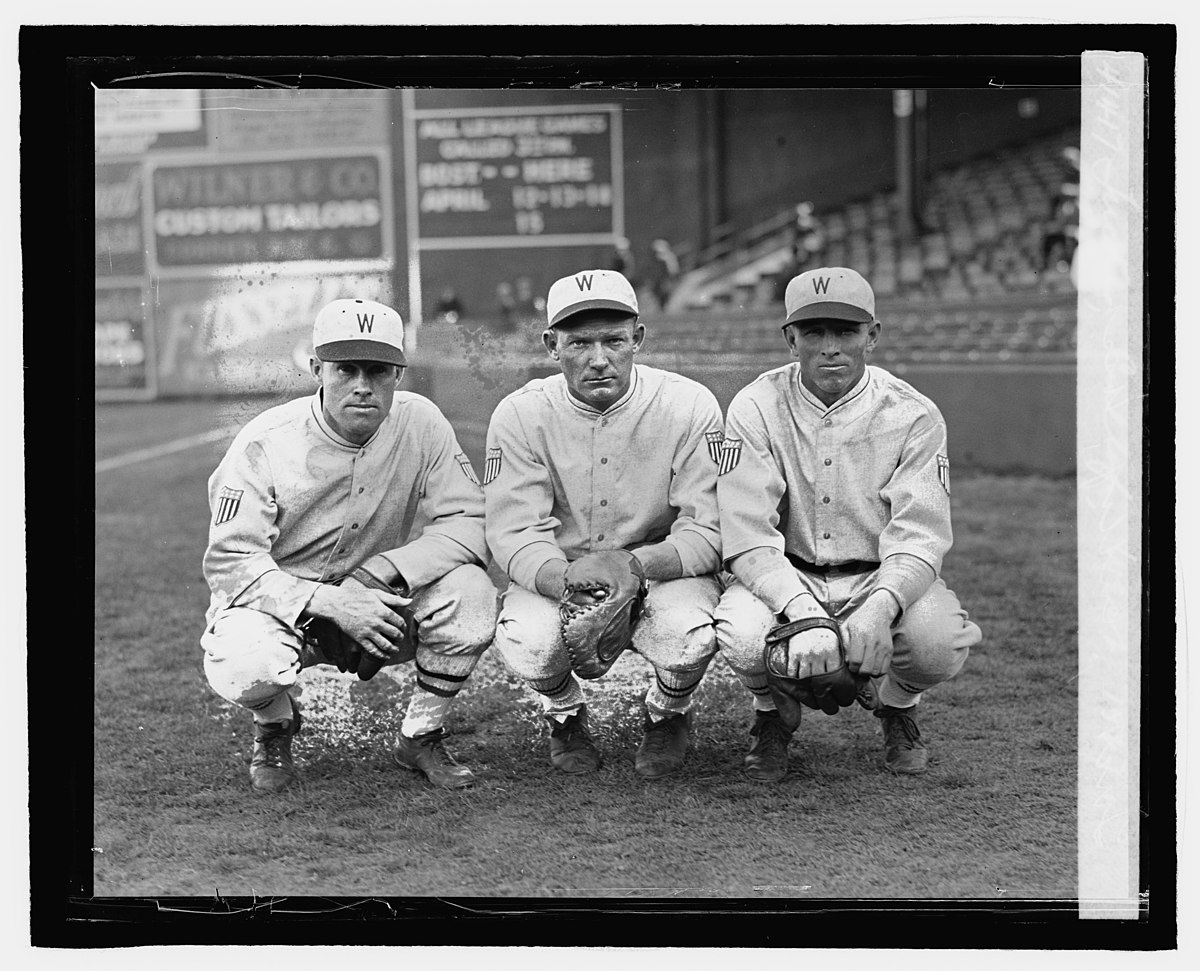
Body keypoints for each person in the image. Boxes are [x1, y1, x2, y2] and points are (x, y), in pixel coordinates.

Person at [200, 298, 498, 793]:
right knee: (240, 662)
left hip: (380, 603)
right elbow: (231, 561)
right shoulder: (264, 442)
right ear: (317, 369)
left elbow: (469, 519)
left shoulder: (420, 423)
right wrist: (329, 601)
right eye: (346, 369)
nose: (363, 385)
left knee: (472, 594)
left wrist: (383, 571)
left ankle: (421, 735)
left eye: (378, 370)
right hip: (286, 608)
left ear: (398, 374)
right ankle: (274, 724)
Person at [714, 267, 982, 782]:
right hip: (789, 573)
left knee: (937, 642)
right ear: (790, 339)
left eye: (846, 331)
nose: (830, 347)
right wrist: (803, 614)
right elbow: (747, 533)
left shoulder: (914, 414)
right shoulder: (755, 405)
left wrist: (879, 609)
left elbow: (920, 535)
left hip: (877, 574)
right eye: (813, 332)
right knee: (742, 633)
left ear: (872, 336)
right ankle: (771, 715)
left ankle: (898, 705)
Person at [484, 269, 725, 779]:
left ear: (637, 338)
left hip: (659, 569)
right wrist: (565, 579)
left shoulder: (688, 404)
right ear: (552, 344)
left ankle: (668, 714)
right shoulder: (521, 413)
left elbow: (708, 529)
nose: (598, 358)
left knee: (692, 633)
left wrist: (633, 565)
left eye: (613, 340)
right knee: (527, 638)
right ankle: (565, 716)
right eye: (579, 343)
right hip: (563, 570)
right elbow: (513, 533)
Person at [648, 238, 681, 311]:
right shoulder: (669, 257)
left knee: (664, 298)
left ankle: (664, 310)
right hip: (661, 281)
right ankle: (663, 310)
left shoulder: (665, 258)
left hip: (665, 281)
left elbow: (672, 270)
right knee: (661, 299)